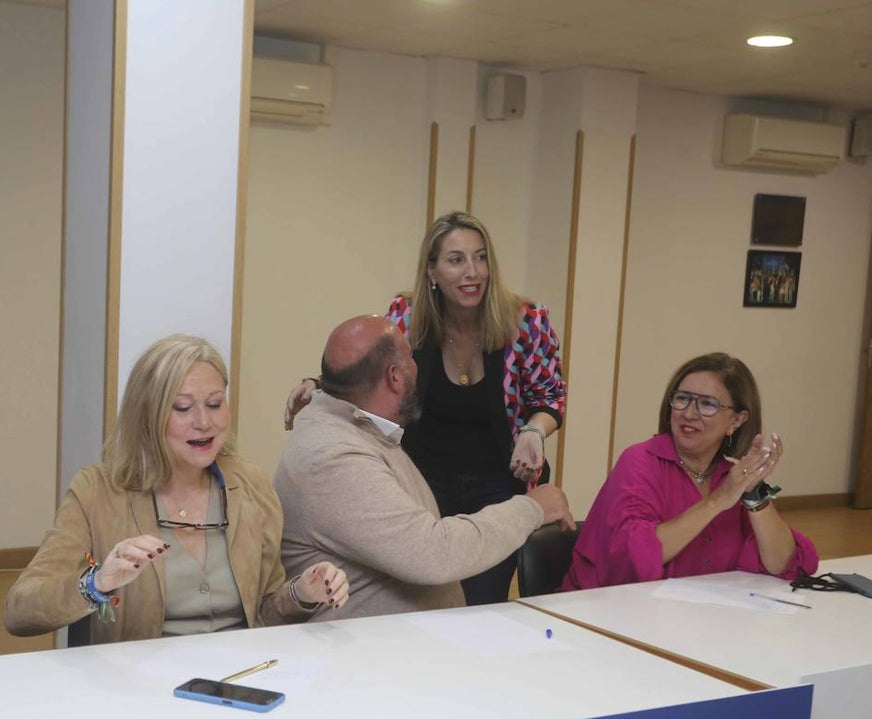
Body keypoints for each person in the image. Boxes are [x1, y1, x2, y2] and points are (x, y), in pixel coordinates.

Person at [284, 211, 566, 605]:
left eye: (480, 257)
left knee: (480, 601)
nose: (472, 272)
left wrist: (534, 431)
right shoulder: (408, 315)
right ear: (432, 271)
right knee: (430, 587)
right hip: (423, 476)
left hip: (499, 478)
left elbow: (549, 396)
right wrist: (318, 385)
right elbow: (369, 368)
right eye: (456, 260)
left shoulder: (526, 321)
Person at [4, 334, 349, 642]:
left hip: (239, 683)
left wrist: (301, 592)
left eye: (215, 403)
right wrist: (96, 582)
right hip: (139, 693)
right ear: (148, 415)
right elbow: (20, 612)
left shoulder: (251, 485)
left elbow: (264, 612)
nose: (204, 422)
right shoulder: (96, 492)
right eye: (183, 408)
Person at [275, 315, 574, 621]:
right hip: (369, 658)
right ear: (394, 376)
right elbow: (434, 553)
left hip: (403, 646)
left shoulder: (356, 426)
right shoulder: (333, 456)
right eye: (410, 358)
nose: (418, 367)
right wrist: (532, 509)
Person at [561, 353, 818, 590]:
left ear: (737, 421)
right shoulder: (640, 461)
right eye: (682, 399)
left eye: (708, 404)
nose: (689, 414)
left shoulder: (731, 476)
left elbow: (782, 563)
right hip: (606, 616)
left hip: (699, 622)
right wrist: (717, 500)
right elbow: (633, 557)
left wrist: (753, 492)